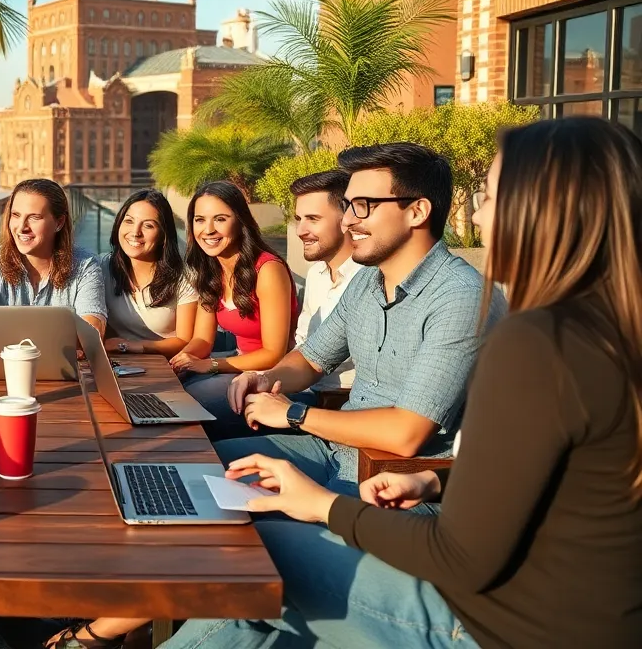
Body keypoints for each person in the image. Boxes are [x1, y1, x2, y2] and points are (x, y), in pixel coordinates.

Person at [154, 117, 642, 648]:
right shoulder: (603, 335)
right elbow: (569, 483)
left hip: (500, 624)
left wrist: (320, 502)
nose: (477, 214)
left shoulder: (523, 334)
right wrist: (435, 482)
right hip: (552, 602)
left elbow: (461, 552)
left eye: (492, 197)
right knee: (222, 487)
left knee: (262, 552)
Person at [220, 142, 505, 499]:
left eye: (363, 206)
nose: (347, 220)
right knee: (203, 468)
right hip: (334, 452)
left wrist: (294, 414)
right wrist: (265, 379)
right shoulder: (367, 281)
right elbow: (311, 358)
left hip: (393, 485)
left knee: (247, 531)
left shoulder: (461, 297)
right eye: (348, 206)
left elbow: (406, 433)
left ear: (417, 211)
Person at [167, 181, 299, 435]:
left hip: (274, 376)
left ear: (240, 221)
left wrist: (212, 366)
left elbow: (273, 353)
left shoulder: (268, 270)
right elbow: (203, 340)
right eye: (199, 220)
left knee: (188, 401)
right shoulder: (211, 269)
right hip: (238, 365)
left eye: (220, 219)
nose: (208, 230)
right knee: (166, 387)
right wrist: (182, 360)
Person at [0, 178, 107, 345]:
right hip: (0, 368)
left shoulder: (85, 264)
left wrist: (2, 342)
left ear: (59, 222)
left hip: (60, 370)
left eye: (34, 217)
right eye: (16, 215)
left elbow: (92, 330)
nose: (22, 227)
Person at [100, 188, 207, 359]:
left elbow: (184, 340)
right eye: (128, 221)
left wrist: (134, 346)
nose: (135, 232)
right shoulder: (102, 267)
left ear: (163, 235)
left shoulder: (184, 277)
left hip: (171, 368)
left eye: (148, 225)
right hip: (121, 364)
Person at [290, 169, 362, 392]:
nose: (301, 230)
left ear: (346, 220)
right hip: (305, 389)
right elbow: (302, 342)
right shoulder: (316, 274)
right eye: (298, 219)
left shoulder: (367, 277)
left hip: (340, 400)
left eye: (313, 219)